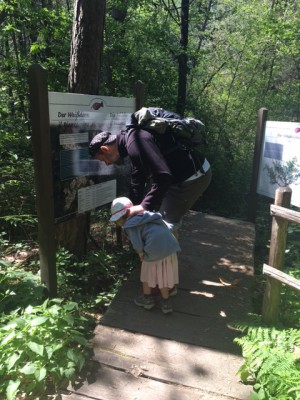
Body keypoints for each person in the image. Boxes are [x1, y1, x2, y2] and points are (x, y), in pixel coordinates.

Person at [89, 125, 212, 238]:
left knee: (161, 228)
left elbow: (163, 176)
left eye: (103, 159)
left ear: (105, 149)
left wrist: (143, 207)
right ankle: (161, 256)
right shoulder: (130, 141)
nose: (107, 163)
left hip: (193, 178)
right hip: (181, 177)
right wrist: (133, 208)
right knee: (158, 224)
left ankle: (164, 260)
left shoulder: (135, 142)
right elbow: (137, 179)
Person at [109, 196, 180, 314]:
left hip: (153, 250)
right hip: (170, 246)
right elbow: (164, 225)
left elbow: (137, 243)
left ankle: (147, 299)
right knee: (163, 275)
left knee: (146, 275)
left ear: (120, 218)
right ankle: (166, 302)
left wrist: (141, 253)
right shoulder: (146, 214)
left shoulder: (130, 225)